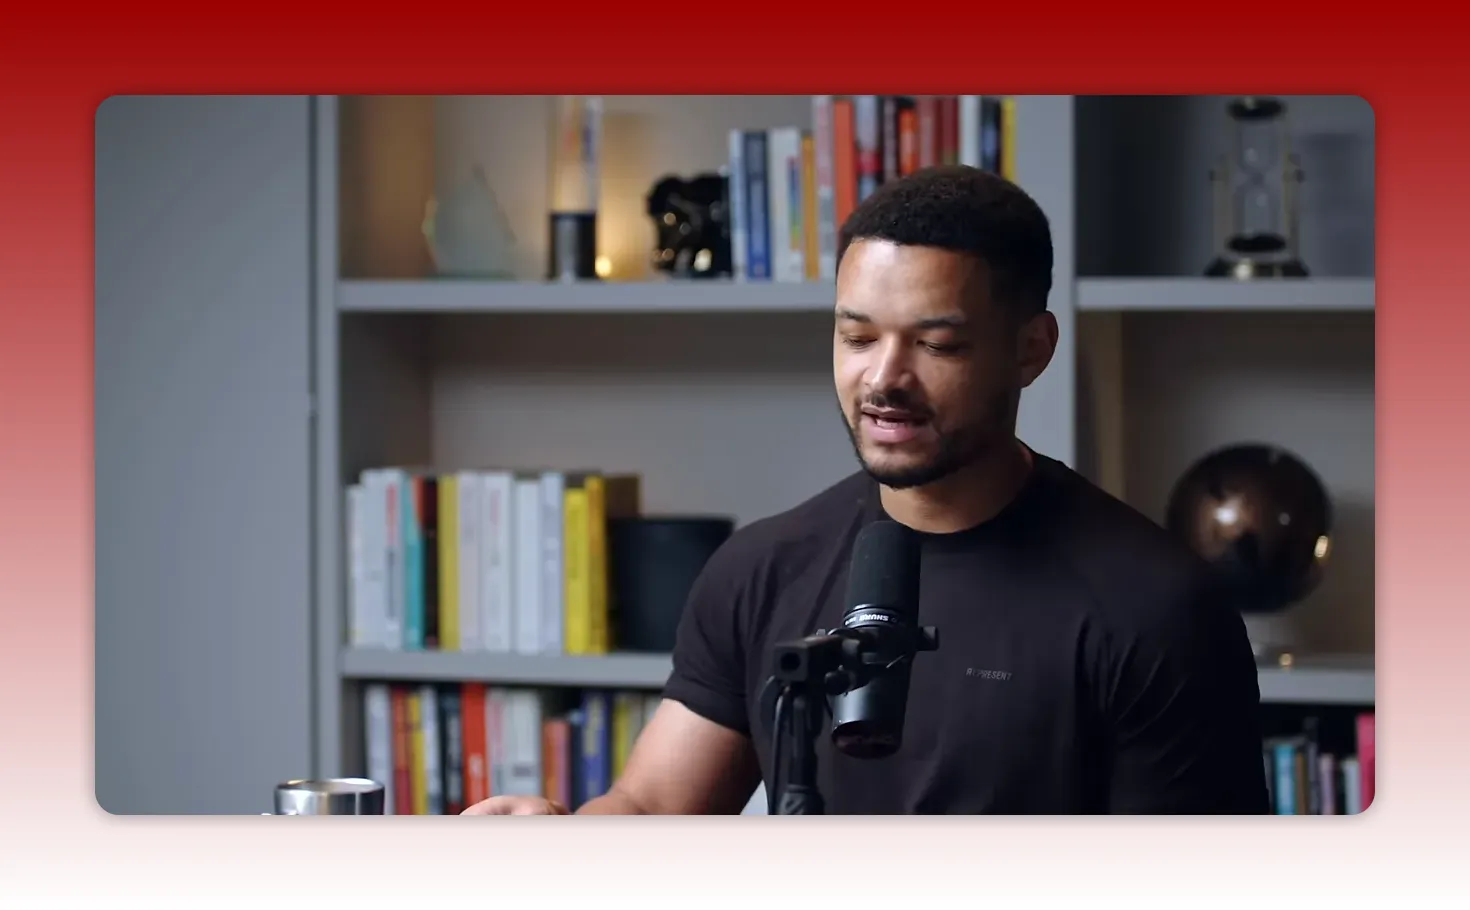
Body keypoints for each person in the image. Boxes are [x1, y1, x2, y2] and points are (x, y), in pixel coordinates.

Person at [463, 165, 1270, 816]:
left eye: (935, 343)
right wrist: (558, 841)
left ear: (1031, 349)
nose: (884, 380)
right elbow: (652, 807)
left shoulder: (1156, 608)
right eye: (856, 337)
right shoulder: (762, 567)